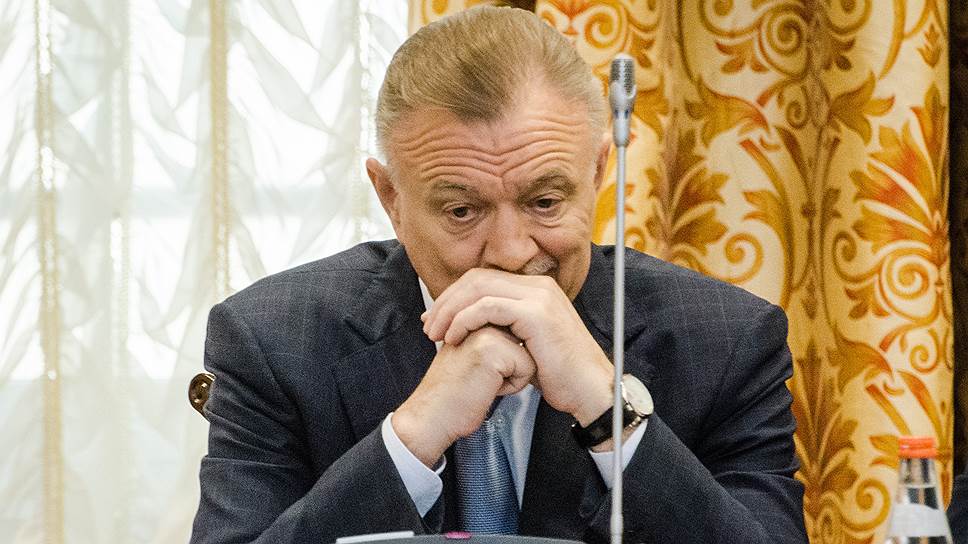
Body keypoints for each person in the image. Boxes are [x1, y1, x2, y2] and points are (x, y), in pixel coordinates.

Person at [190, 6, 807, 543]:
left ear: (596, 173)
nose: (511, 254)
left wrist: (606, 410)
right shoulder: (274, 341)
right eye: (462, 211)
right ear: (390, 197)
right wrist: (411, 438)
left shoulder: (725, 343)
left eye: (545, 202)